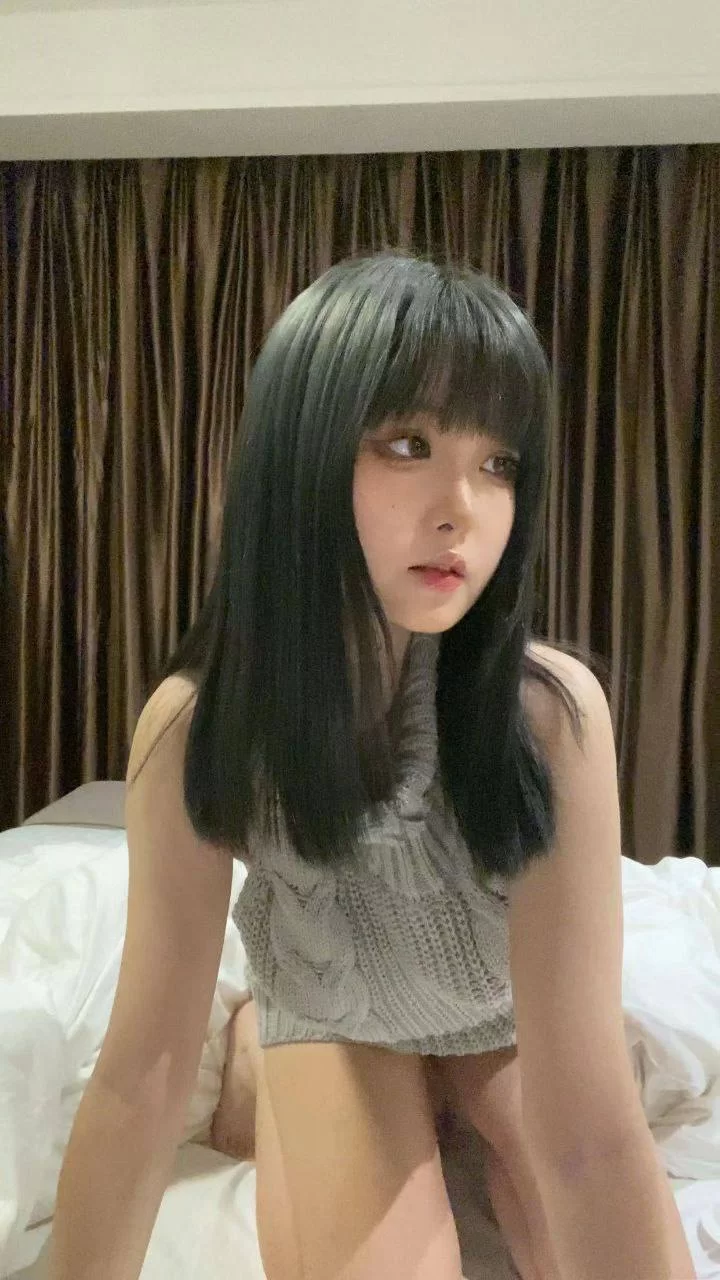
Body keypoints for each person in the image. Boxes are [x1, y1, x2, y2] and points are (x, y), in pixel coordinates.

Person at [49, 251, 696, 1280]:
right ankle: (261, 1041)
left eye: (500, 463)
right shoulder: (201, 725)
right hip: (332, 1005)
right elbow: (144, 1074)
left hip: (497, 1008)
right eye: (408, 443)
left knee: (557, 1204)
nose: (464, 506)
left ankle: (419, 1078)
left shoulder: (548, 713)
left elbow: (590, 1129)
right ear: (300, 451)